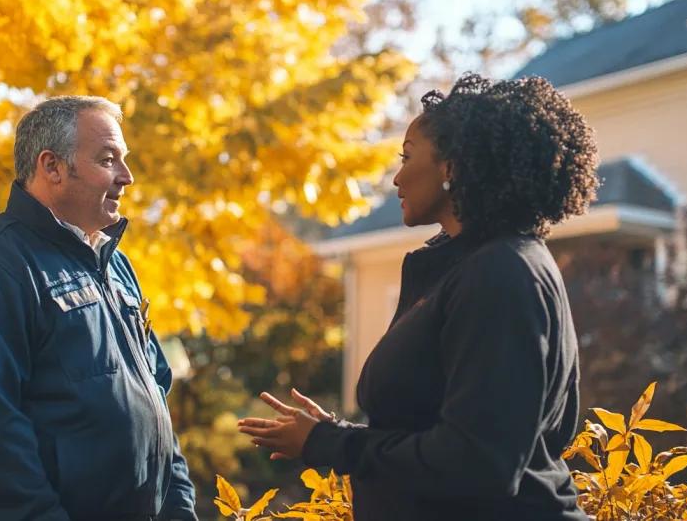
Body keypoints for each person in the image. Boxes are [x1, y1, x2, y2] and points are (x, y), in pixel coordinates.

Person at [238, 73, 598, 520]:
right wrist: (333, 433)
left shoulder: (502, 273)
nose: (396, 177)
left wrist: (328, 443)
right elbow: (432, 426)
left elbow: (478, 462)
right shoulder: (465, 266)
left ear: (452, 168)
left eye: (407, 157)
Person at [0, 96, 197, 521]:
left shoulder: (116, 264)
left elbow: (155, 397)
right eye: (108, 159)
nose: (127, 177)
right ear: (51, 166)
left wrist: (180, 509)